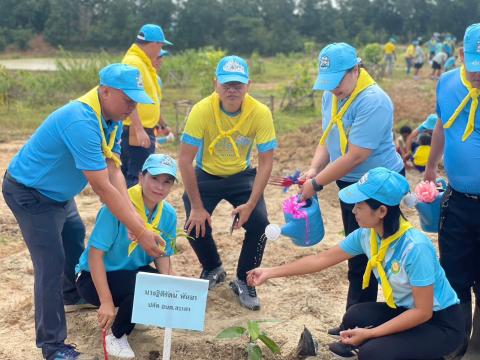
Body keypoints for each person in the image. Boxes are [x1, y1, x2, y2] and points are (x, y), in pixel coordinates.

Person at [2, 64, 165, 360]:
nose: (133, 106)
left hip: (60, 194)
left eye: (136, 100)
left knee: (75, 234)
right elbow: (103, 189)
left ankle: (70, 295)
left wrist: (135, 221)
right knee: (50, 263)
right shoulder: (80, 121)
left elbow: (114, 169)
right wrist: (140, 231)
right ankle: (52, 346)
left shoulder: (111, 118)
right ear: (105, 91)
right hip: (31, 193)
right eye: (128, 99)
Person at [248, 167, 464, 360]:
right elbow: (320, 260)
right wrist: (270, 272)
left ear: (381, 211)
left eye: (359, 206)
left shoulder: (415, 248)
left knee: (372, 353)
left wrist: (370, 334)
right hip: (406, 310)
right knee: (355, 316)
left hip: (440, 323)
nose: (353, 211)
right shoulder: (366, 235)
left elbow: (423, 312)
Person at [299, 43, 404, 337]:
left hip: (380, 186)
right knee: (358, 253)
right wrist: (313, 169)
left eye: (337, 82)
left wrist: (317, 183)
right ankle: (355, 323)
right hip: (350, 183)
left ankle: (394, 322)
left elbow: (356, 155)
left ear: (355, 70)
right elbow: (327, 139)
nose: (332, 90)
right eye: (327, 83)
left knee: (385, 255)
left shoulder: (373, 101)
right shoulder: (331, 96)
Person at [178, 55, 277, 311]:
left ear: (248, 85)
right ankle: (212, 267)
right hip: (206, 173)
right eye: (226, 84)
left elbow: (266, 162)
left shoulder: (260, 112)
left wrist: (251, 203)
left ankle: (245, 279)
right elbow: (185, 160)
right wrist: (198, 208)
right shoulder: (201, 110)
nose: (232, 89)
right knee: (192, 225)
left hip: (241, 176)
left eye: (238, 84)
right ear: (215, 84)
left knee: (260, 224)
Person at [75, 154, 178, 359]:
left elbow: (163, 254)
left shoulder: (168, 214)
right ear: (141, 178)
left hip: (130, 273)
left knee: (156, 283)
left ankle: (134, 312)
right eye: (154, 178)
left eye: (167, 182)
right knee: (142, 285)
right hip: (92, 278)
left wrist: (168, 290)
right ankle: (116, 335)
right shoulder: (117, 206)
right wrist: (105, 301)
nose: (159, 187)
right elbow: (95, 256)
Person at [425, 23, 480, 358]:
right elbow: (442, 126)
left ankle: (478, 348)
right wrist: (431, 167)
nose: (478, 76)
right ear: (461, 55)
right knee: (455, 276)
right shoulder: (446, 83)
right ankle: (456, 344)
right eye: (474, 67)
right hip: (458, 200)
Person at [121, 24, 172, 187]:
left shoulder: (142, 62)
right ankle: (130, 211)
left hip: (143, 128)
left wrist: (161, 124)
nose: (160, 51)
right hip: (136, 131)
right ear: (154, 43)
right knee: (137, 177)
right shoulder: (134, 62)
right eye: (161, 45)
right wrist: (138, 128)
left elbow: (150, 100)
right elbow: (128, 97)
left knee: (135, 174)